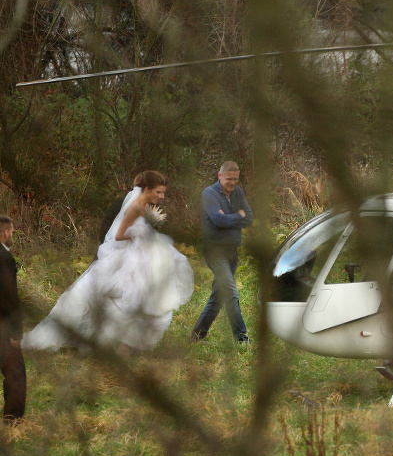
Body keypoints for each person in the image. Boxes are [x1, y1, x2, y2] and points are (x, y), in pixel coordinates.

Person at [22, 171, 194, 352]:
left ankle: (124, 345)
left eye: (163, 192)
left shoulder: (144, 206)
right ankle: (110, 341)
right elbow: (119, 235)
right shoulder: (135, 206)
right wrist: (140, 235)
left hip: (137, 254)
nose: (162, 196)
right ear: (147, 189)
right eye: (159, 192)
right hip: (125, 255)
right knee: (120, 297)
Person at [191, 161, 254, 344]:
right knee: (231, 293)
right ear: (220, 176)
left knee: (219, 296)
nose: (232, 183)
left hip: (232, 251)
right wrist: (238, 216)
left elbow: (249, 217)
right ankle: (242, 339)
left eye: (235, 179)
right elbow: (218, 220)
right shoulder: (209, 194)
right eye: (229, 179)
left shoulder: (238, 192)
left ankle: (197, 335)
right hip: (215, 251)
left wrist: (232, 218)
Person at [0, 216, 25, 421]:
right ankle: (12, 417)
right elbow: (10, 297)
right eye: (12, 232)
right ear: (5, 232)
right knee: (15, 371)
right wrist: (16, 331)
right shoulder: (5, 258)